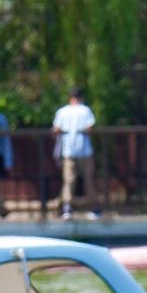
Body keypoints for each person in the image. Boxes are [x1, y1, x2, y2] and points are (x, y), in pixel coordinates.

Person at [52, 88, 96, 220]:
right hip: (84, 150)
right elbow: (90, 128)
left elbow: (57, 129)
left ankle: (67, 208)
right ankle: (92, 208)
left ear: (69, 97)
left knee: (68, 180)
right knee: (88, 178)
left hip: (68, 150)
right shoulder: (85, 110)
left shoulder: (62, 111)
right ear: (81, 97)